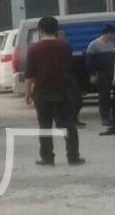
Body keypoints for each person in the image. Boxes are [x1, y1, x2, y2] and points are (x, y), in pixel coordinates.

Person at [25, 16, 84, 166]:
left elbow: (29, 74)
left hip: (42, 92)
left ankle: (47, 158)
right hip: (64, 91)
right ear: (56, 30)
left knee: (45, 126)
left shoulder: (34, 49)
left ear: (40, 30)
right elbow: (69, 68)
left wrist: (28, 93)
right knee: (68, 125)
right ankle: (73, 156)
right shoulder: (65, 46)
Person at [86, 24, 115, 127]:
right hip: (101, 73)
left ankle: (113, 116)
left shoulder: (112, 44)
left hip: (112, 72)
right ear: (108, 33)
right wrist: (92, 75)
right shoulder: (94, 45)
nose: (114, 36)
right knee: (104, 96)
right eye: (113, 34)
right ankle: (105, 118)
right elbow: (89, 62)